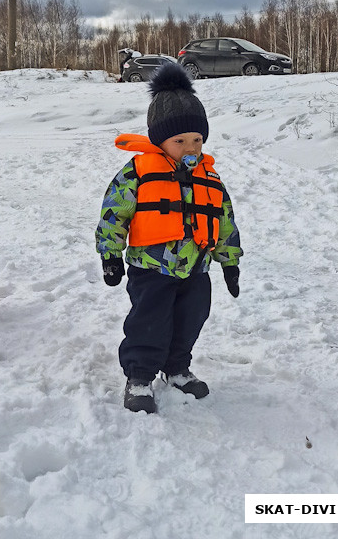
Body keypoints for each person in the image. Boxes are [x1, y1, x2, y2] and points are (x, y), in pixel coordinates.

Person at [95, 62, 242, 414]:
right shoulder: (138, 173)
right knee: (149, 322)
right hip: (151, 268)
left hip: (196, 268)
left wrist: (230, 263)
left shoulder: (210, 178)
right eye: (180, 141)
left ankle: (176, 369)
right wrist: (110, 255)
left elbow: (223, 221)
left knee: (190, 319)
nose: (190, 147)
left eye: (197, 140)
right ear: (159, 140)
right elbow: (114, 213)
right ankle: (141, 376)